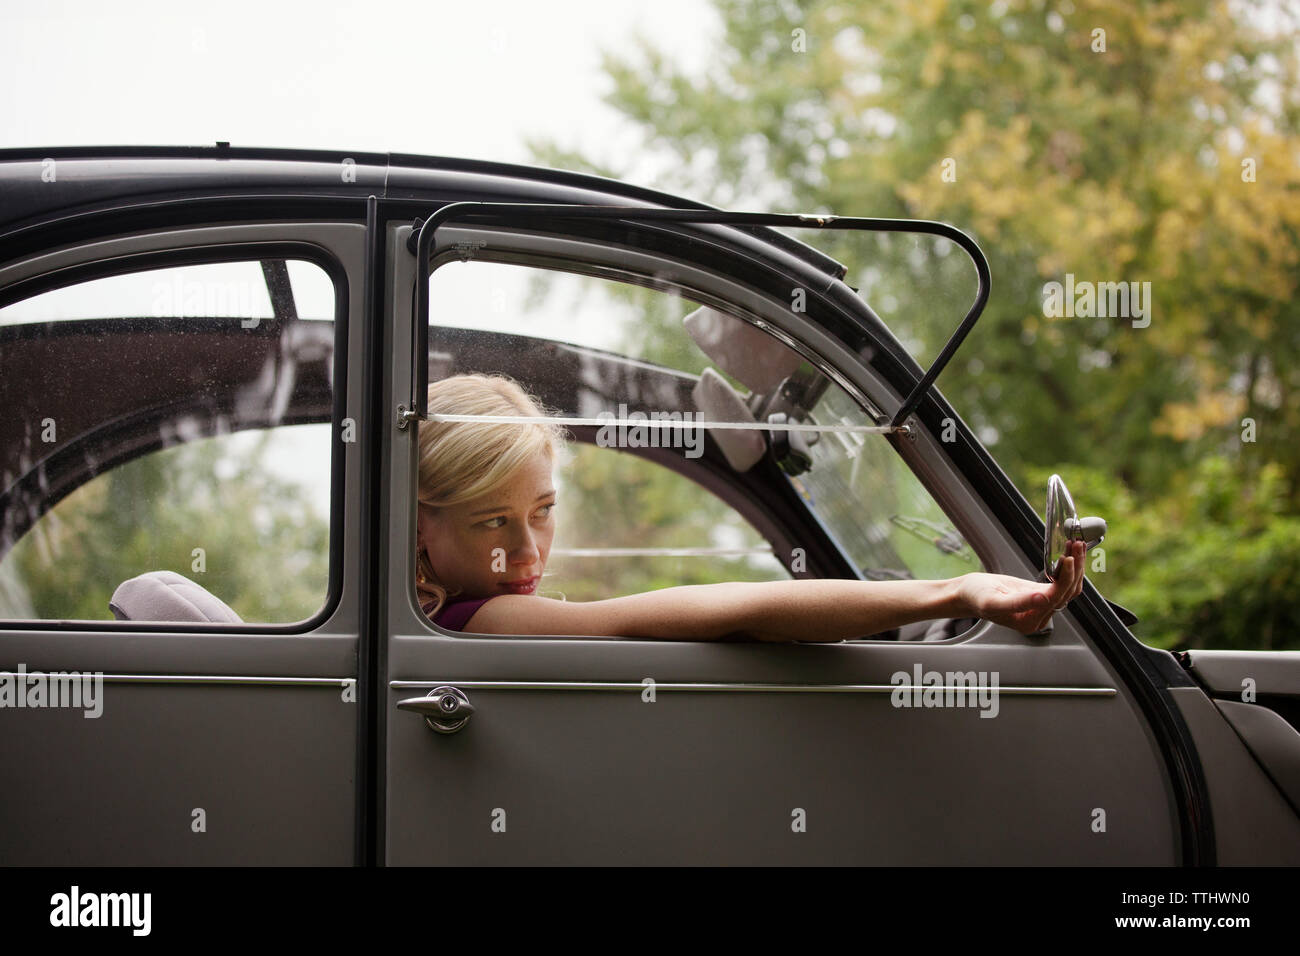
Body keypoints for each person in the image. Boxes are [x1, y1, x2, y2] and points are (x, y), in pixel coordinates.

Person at [414, 373, 1086, 640]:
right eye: (491, 521)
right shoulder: (483, 620)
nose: (528, 551)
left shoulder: (447, 617)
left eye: (542, 510)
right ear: (421, 522)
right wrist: (954, 590)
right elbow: (734, 610)